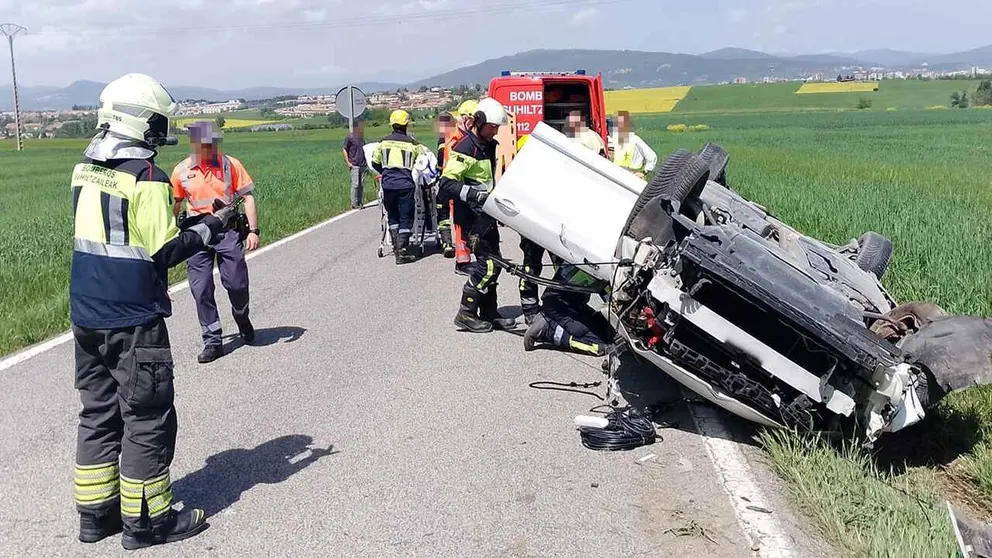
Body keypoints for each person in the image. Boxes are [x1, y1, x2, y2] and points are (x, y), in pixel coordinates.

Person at [70, 73, 238, 550]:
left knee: (98, 412)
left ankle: (95, 516)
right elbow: (163, 251)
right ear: (141, 122)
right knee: (147, 415)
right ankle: (148, 523)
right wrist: (212, 225)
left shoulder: (85, 168)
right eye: (158, 124)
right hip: (132, 316)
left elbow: (121, 232)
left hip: (86, 314)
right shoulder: (147, 177)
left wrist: (190, 222)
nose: (162, 133)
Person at [170, 121, 260, 364]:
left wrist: (253, 231)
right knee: (201, 289)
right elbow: (175, 206)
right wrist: (171, 236)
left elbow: (248, 197)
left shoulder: (231, 165)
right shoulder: (181, 171)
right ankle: (212, 340)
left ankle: (242, 317)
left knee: (237, 284)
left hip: (227, 231)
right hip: (197, 236)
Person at [438, 98, 518, 333]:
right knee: (489, 266)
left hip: (485, 216)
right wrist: (474, 195)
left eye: (497, 127)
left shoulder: (488, 145)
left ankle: (489, 312)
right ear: (480, 122)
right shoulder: (465, 147)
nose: (496, 131)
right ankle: (466, 313)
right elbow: (446, 184)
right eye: (492, 126)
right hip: (472, 217)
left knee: (496, 262)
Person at [523, 258, 612, 357]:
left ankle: (550, 320)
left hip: (573, 304)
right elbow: (609, 295)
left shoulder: (599, 257)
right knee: (598, 346)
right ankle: (547, 331)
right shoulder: (598, 262)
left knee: (608, 331)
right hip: (558, 306)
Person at [372, 109, 425, 264]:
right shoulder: (412, 144)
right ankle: (402, 251)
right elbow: (422, 161)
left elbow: (375, 162)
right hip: (405, 184)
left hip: (388, 184)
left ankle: (396, 248)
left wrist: (386, 172)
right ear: (406, 124)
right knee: (406, 218)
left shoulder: (382, 142)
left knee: (393, 216)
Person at [446, 99, 479, 275]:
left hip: (466, 188)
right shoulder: (456, 140)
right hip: (458, 189)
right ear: (466, 119)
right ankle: (462, 261)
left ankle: (467, 255)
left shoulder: (465, 137)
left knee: (468, 225)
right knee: (460, 226)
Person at [610, 111, 658, 179]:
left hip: (634, 177)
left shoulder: (635, 140)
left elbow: (652, 156)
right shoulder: (613, 140)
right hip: (618, 176)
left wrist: (644, 172)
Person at [435, 112, 457, 257]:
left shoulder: (444, 139)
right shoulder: (460, 135)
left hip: (446, 180)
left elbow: (440, 160)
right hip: (461, 181)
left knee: (442, 211)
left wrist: (436, 173)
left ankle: (447, 242)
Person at [342, 118, 367, 209]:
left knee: (361, 184)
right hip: (354, 164)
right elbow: (344, 149)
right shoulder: (350, 137)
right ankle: (354, 203)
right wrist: (348, 162)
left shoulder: (362, 138)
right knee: (355, 184)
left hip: (363, 164)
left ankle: (360, 202)